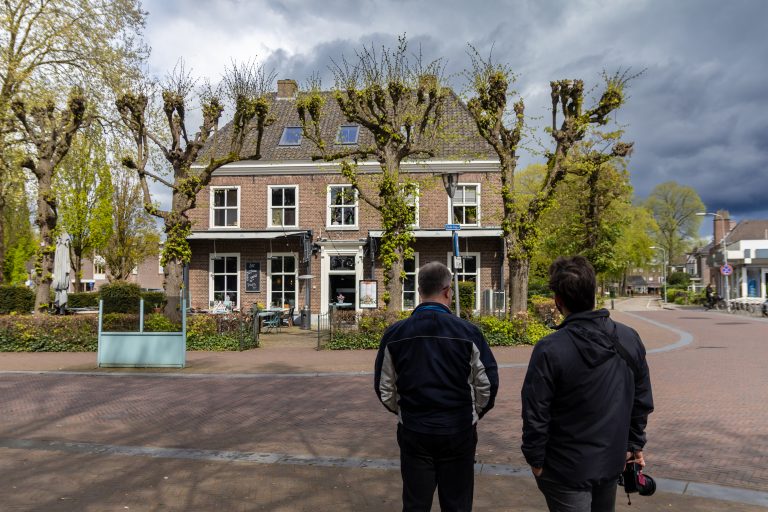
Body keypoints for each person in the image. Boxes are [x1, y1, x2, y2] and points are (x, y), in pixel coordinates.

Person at [521, 256, 654, 512]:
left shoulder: (549, 349)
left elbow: (535, 411)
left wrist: (536, 460)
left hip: (564, 468)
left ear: (558, 302)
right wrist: (634, 445)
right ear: (593, 293)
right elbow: (642, 399)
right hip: (611, 460)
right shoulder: (628, 338)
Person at [374, 261, 499, 511]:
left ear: (419, 290)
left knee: (415, 503)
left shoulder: (395, 334)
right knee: (457, 503)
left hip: (414, 429)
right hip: (458, 428)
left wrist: (403, 412)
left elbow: (384, 387)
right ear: (447, 291)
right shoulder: (468, 333)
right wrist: (474, 413)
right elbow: (487, 383)